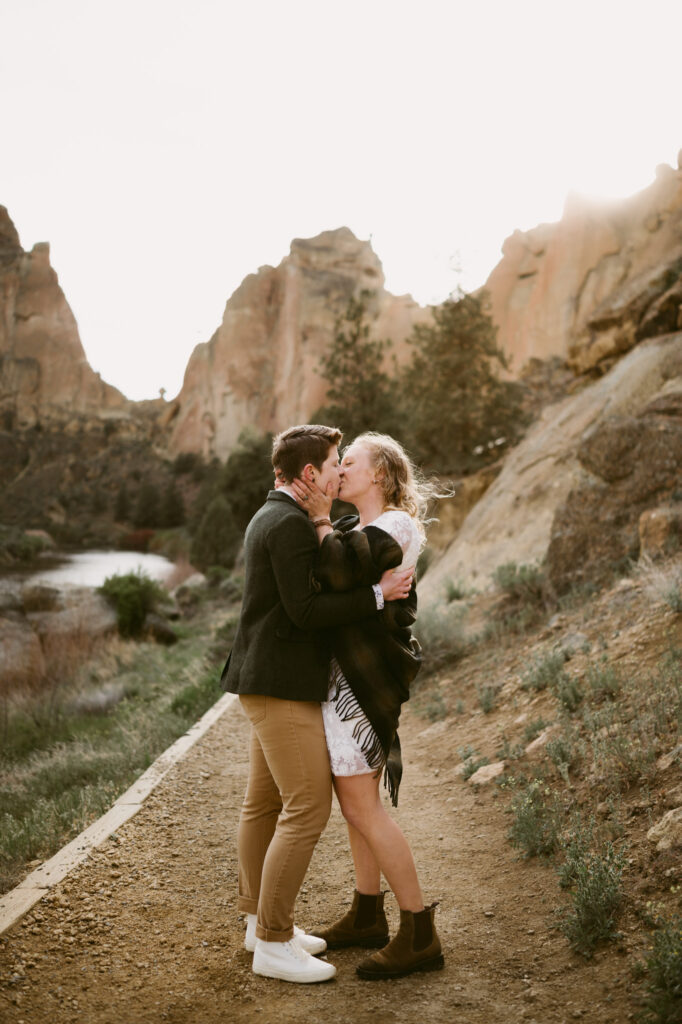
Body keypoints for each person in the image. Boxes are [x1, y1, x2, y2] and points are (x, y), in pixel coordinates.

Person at [221, 424, 414, 984]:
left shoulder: (279, 516)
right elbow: (306, 611)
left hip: (265, 676)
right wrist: (379, 594)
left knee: (261, 805)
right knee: (306, 807)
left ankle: (260, 924)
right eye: (334, 462)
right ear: (310, 475)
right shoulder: (290, 525)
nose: (337, 472)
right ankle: (274, 942)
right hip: (279, 683)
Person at [289, 431, 444, 980]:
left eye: (349, 461)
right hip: (345, 683)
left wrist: (320, 516)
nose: (339, 469)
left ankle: (419, 931)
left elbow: (333, 573)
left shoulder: (395, 524)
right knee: (358, 805)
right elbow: (334, 580)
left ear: (379, 475)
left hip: (362, 686)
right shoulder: (364, 528)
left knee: (361, 807)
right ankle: (366, 913)